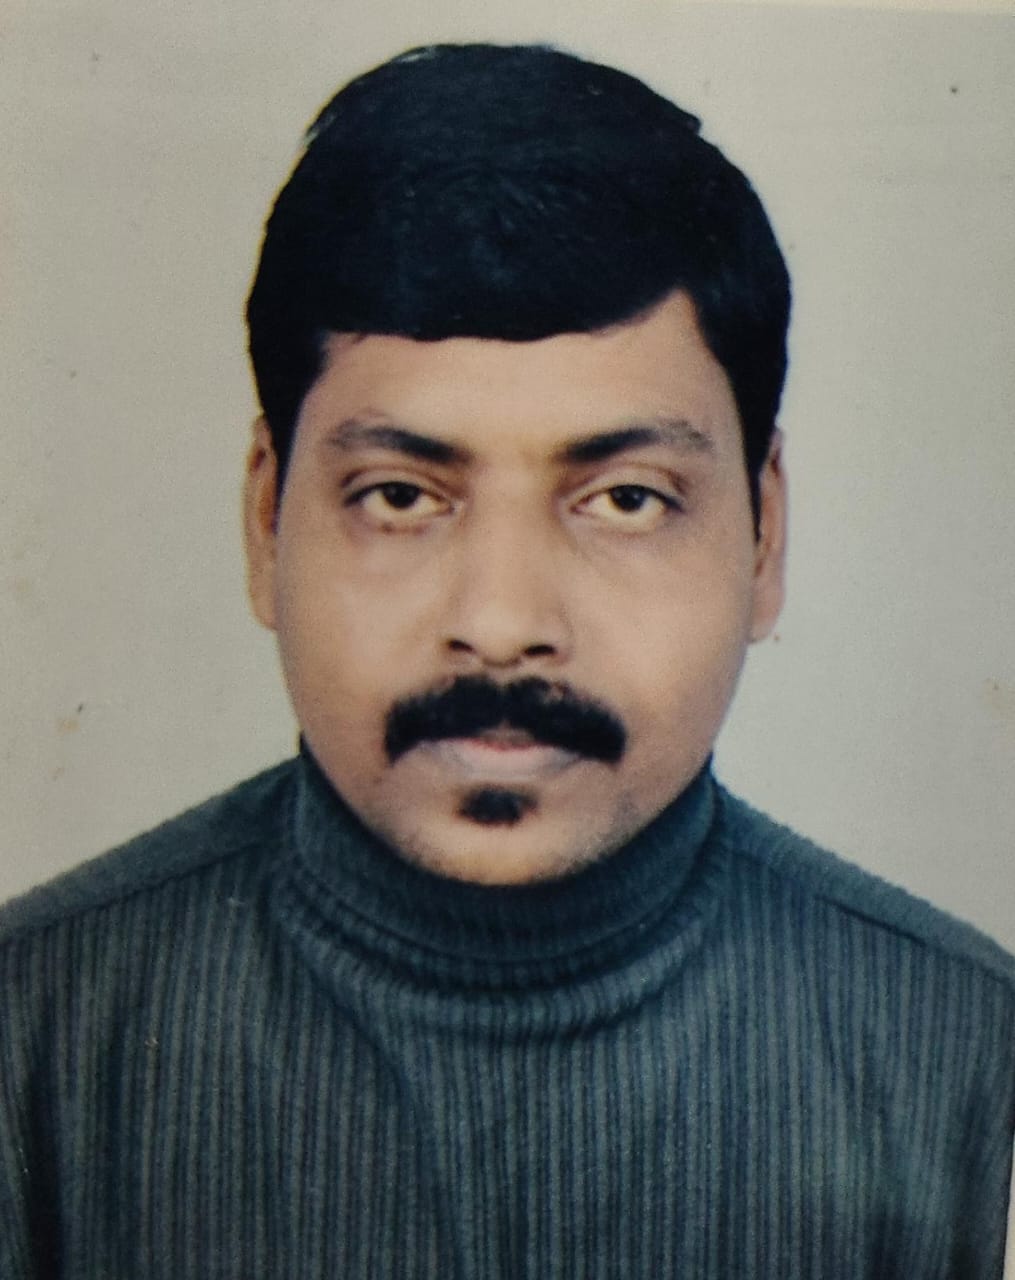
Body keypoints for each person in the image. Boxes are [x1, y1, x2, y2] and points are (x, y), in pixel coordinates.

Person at [1, 41, 1012, 1279]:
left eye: (626, 498)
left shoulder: (974, 1066)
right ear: (266, 523)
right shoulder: (28, 1044)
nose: (500, 620)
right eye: (399, 496)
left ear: (764, 536)